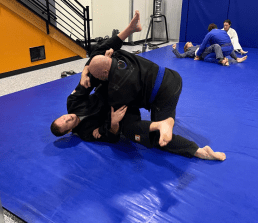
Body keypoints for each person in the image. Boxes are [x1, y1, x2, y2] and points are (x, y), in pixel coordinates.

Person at [84, 11, 226, 161]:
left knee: (154, 137)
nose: (97, 79)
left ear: (105, 72)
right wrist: (88, 69)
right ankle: (168, 119)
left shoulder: (116, 89)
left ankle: (198, 150)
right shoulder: (117, 53)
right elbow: (103, 50)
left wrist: (107, 126)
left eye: (98, 77)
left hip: (163, 95)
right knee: (148, 107)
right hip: (172, 77)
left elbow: (117, 122)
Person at [172, 42, 247, 65]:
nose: (190, 43)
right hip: (202, 53)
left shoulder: (197, 45)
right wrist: (175, 49)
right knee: (215, 46)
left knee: (224, 49)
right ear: (186, 47)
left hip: (206, 52)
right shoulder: (188, 51)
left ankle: (235, 58)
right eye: (188, 43)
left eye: (190, 42)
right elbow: (180, 56)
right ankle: (222, 59)